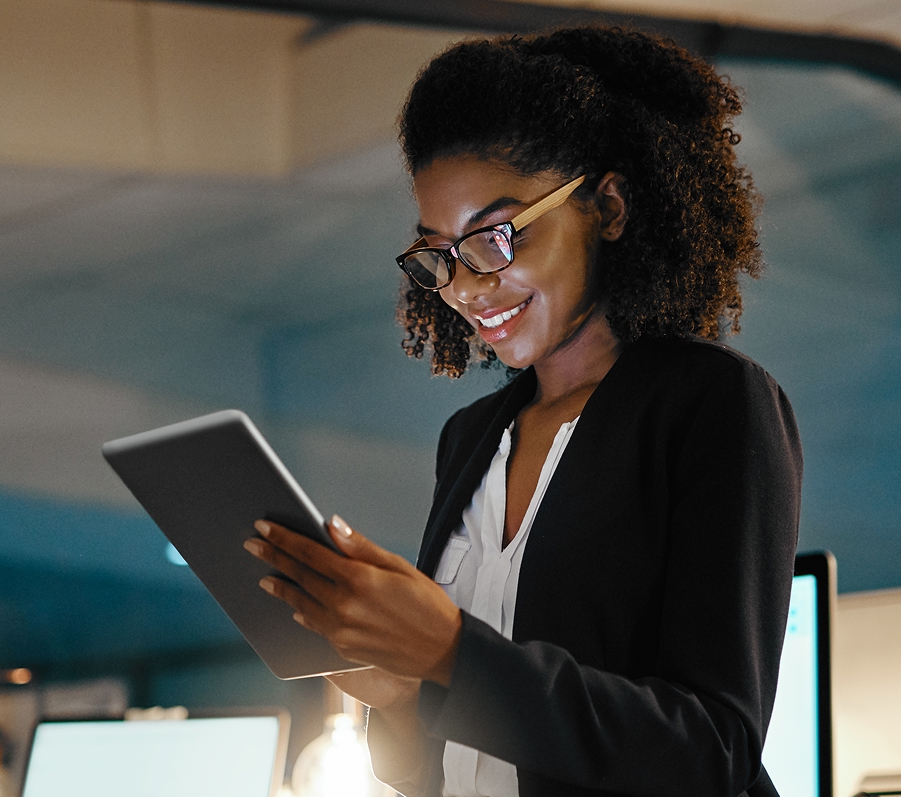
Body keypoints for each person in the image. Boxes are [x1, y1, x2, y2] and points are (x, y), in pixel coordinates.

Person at [242, 26, 801, 797]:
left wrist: (448, 652)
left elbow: (709, 752)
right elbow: (436, 772)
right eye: (439, 252)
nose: (464, 288)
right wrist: (402, 693)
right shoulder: (470, 438)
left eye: (494, 237)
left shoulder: (710, 404)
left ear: (606, 206)